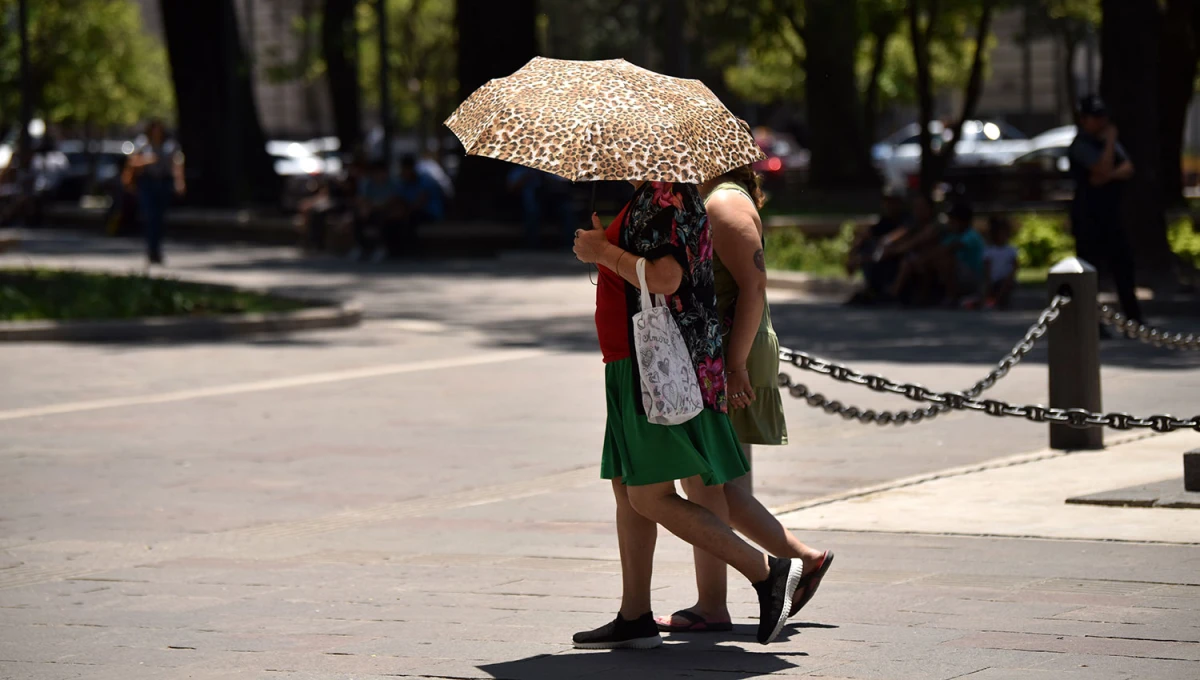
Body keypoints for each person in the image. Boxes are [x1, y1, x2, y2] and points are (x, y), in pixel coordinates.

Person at [570, 181, 804, 650]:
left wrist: (602, 253)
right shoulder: (650, 197)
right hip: (631, 360)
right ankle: (635, 614)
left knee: (648, 496)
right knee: (626, 486)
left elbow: (664, 279)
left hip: (652, 366)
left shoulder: (666, 196)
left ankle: (769, 572)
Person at [653, 165, 833, 634]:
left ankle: (735, 593)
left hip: (731, 357)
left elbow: (753, 288)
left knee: (705, 481)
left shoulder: (723, 204)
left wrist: (733, 368)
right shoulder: (718, 199)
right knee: (710, 481)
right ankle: (795, 563)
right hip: (727, 354)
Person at [1068, 95, 1143, 323]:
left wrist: (1107, 173)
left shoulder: (1104, 143)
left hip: (1110, 215)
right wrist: (1110, 143)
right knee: (1091, 272)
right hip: (1088, 216)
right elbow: (1099, 172)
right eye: (1096, 117)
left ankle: (1133, 318)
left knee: (1123, 265)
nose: (1102, 122)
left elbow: (1128, 168)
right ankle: (1092, 322)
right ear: (1084, 119)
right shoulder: (1081, 145)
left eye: (1104, 117)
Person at [128, 120, 185, 264]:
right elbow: (132, 161)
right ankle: (151, 250)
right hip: (147, 183)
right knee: (150, 217)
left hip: (164, 183)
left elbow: (177, 163)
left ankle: (156, 250)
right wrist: (147, 160)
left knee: (159, 218)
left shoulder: (169, 145)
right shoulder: (143, 143)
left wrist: (179, 182)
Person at [847, 189, 907, 304]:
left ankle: (891, 292)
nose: (889, 205)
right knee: (866, 250)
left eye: (893, 202)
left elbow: (903, 232)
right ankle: (872, 288)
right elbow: (866, 234)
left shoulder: (906, 218)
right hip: (883, 254)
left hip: (898, 253)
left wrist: (886, 242)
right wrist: (853, 253)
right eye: (887, 202)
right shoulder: (884, 221)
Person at [392, 154, 444, 257]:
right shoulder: (403, 182)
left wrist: (405, 212)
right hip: (411, 212)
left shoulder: (425, 180)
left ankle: (413, 251)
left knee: (410, 220)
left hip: (430, 213)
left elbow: (420, 202)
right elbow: (398, 200)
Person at [349, 160, 400, 262]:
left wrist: (373, 206)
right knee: (358, 215)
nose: (379, 175)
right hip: (370, 211)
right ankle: (360, 246)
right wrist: (365, 207)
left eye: (381, 172)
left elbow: (391, 202)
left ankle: (380, 248)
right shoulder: (368, 183)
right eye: (376, 173)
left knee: (379, 217)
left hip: (386, 212)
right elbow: (362, 199)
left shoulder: (392, 184)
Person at [980, 216, 1019, 309]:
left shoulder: (1011, 250)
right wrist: (988, 280)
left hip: (1005, 279)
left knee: (1004, 286)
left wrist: (1009, 277)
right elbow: (987, 266)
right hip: (993, 278)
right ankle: (989, 301)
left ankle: (999, 300)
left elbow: (1015, 266)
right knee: (988, 289)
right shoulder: (989, 250)